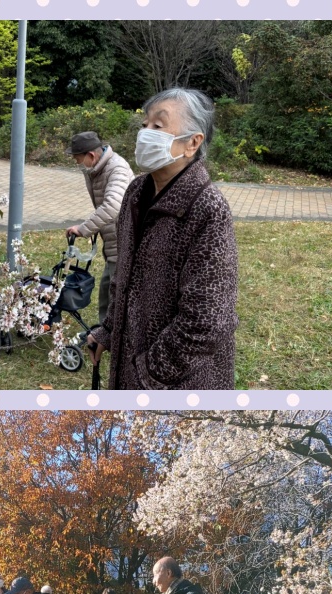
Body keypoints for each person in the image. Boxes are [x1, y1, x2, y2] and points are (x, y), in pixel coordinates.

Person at [87, 87, 239, 390]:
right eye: (145, 125)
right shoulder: (136, 192)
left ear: (193, 142)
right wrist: (108, 330)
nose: (145, 133)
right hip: (131, 369)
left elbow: (207, 322)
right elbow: (124, 277)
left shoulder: (207, 209)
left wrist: (148, 374)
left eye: (158, 125)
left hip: (179, 384)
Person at [65, 130, 134, 325]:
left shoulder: (117, 169)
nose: (77, 165)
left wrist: (84, 228)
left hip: (127, 240)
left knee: (117, 294)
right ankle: (105, 334)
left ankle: (115, 338)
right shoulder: (97, 169)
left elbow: (112, 205)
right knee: (107, 289)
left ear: (92, 156)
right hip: (114, 238)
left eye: (78, 160)